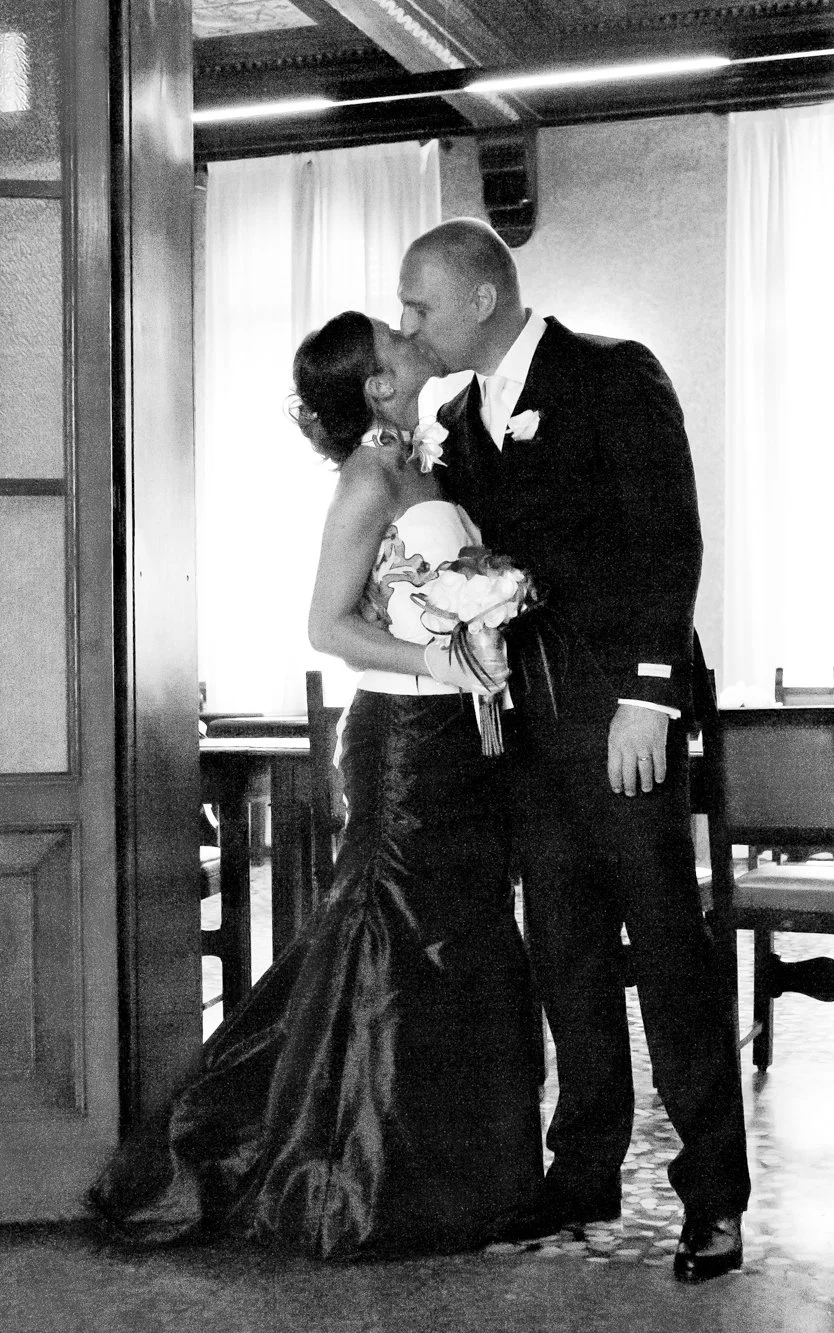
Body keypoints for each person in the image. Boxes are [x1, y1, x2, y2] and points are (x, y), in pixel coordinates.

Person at [86, 310, 543, 1260]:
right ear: (377, 387)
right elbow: (327, 627)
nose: (413, 336)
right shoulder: (371, 479)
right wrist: (443, 657)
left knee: (458, 937)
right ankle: (339, 1178)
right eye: (396, 337)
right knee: (386, 936)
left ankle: (455, 1178)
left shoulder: (429, 461)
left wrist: (480, 625)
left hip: (463, 741)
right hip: (405, 741)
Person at [398, 218, 750, 1282]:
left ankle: (713, 1200)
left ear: (480, 298)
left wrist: (652, 696)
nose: (410, 324)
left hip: (621, 721)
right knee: (564, 955)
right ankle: (580, 1177)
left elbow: (668, 537)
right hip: (528, 739)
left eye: (420, 306)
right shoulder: (456, 418)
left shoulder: (610, 373)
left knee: (668, 954)